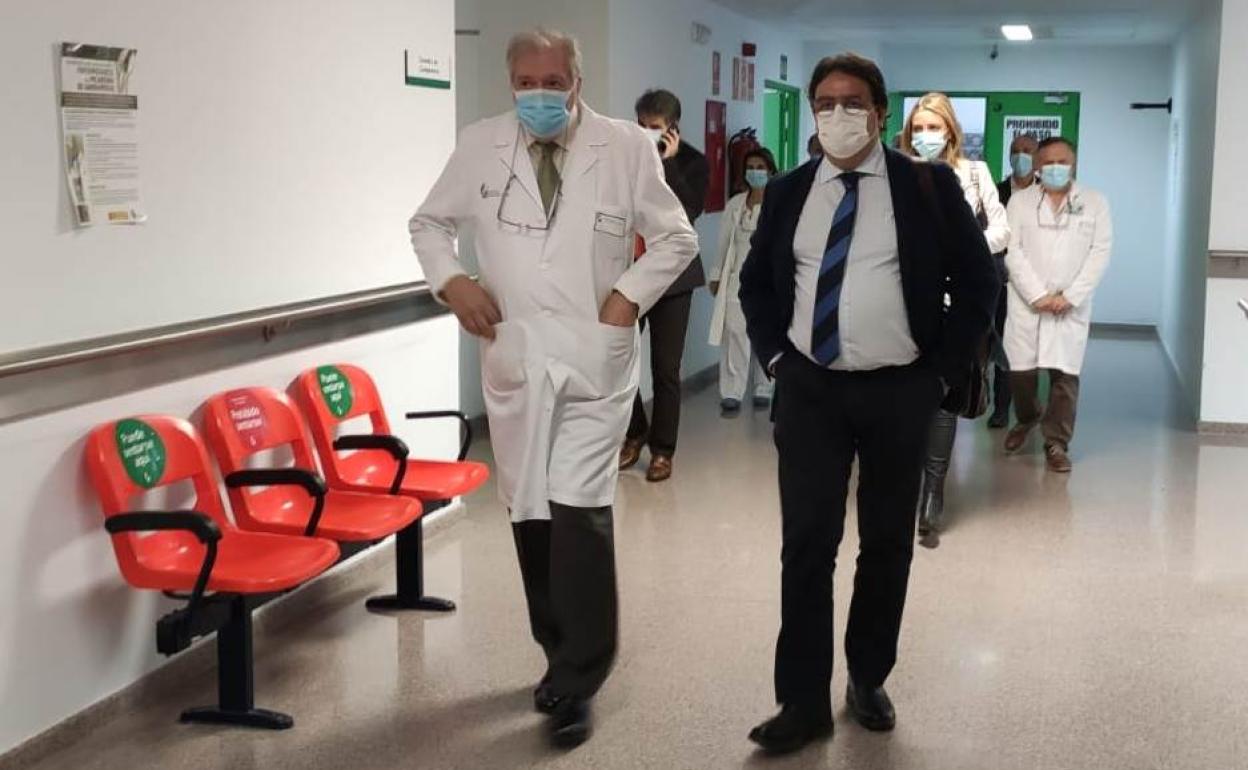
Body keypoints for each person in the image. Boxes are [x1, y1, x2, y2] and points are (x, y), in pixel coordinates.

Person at [408, 28, 697, 748]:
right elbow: (429, 223)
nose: (540, 94)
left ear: (577, 82)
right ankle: (555, 652)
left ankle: (580, 674)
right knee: (531, 512)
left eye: (554, 81)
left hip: (595, 362)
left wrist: (627, 297)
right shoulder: (480, 144)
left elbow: (676, 238)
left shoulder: (624, 147)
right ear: (511, 83)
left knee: (580, 509)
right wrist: (452, 281)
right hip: (517, 356)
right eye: (526, 82)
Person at [739, 54, 998, 754]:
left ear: (881, 113)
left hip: (899, 390)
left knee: (885, 543)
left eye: (852, 102)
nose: (837, 114)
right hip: (811, 390)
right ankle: (801, 702)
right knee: (806, 546)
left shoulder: (926, 186)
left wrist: (938, 375)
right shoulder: (789, 192)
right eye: (825, 103)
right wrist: (776, 360)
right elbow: (756, 285)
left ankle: (867, 676)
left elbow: (979, 283)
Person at [900, 92, 1010, 538]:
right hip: (906, 298)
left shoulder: (975, 172)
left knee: (945, 390)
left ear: (950, 131)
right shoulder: (896, 173)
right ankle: (904, 481)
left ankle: (934, 491)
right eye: (918, 129)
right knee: (905, 392)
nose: (926, 136)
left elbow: (1001, 229)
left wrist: (965, 249)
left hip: (956, 297)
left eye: (934, 127)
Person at [1002, 137, 1112, 473]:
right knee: (1021, 373)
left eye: (1062, 161)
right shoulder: (1020, 202)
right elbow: (1012, 251)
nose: (1055, 167)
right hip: (1028, 303)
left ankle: (1056, 443)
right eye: (1048, 162)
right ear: (1037, 165)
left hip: (1070, 306)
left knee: (1065, 377)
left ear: (1073, 163)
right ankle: (1028, 416)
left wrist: (1071, 296)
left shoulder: (1094, 202)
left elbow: (1099, 253)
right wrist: (1038, 295)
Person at [619, 89, 710, 482]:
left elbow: (688, 212)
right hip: (630, 276)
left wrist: (667, 165)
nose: (645, 133)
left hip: (674, 279)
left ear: (672, 129)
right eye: (640, 125)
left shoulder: (693, 163)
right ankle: (635, 430)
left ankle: (662, 451)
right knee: (615, 361)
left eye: (654, 127)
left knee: (665, 369)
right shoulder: (625, 158)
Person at [708, 147, 778, 412]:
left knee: (765, 333)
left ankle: (764, 386)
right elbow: (723, 241)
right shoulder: (735, 204)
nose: (755, 172)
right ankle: (732, 391)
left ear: (770, 170)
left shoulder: (777, 201)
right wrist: (716, 275)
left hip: (768, 280)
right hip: (737, 278)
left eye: (760, 167)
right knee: (735, 332)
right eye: (751, 167)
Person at [990, 133, 1040, 427]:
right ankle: (1000, 409)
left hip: (1036, 285)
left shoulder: (1048, 195)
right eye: (1015, 150)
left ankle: (1028, 409)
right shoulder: (995, 193)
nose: (1021, 156)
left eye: (1027, 150)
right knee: (1003, 344)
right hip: (1002, 282)